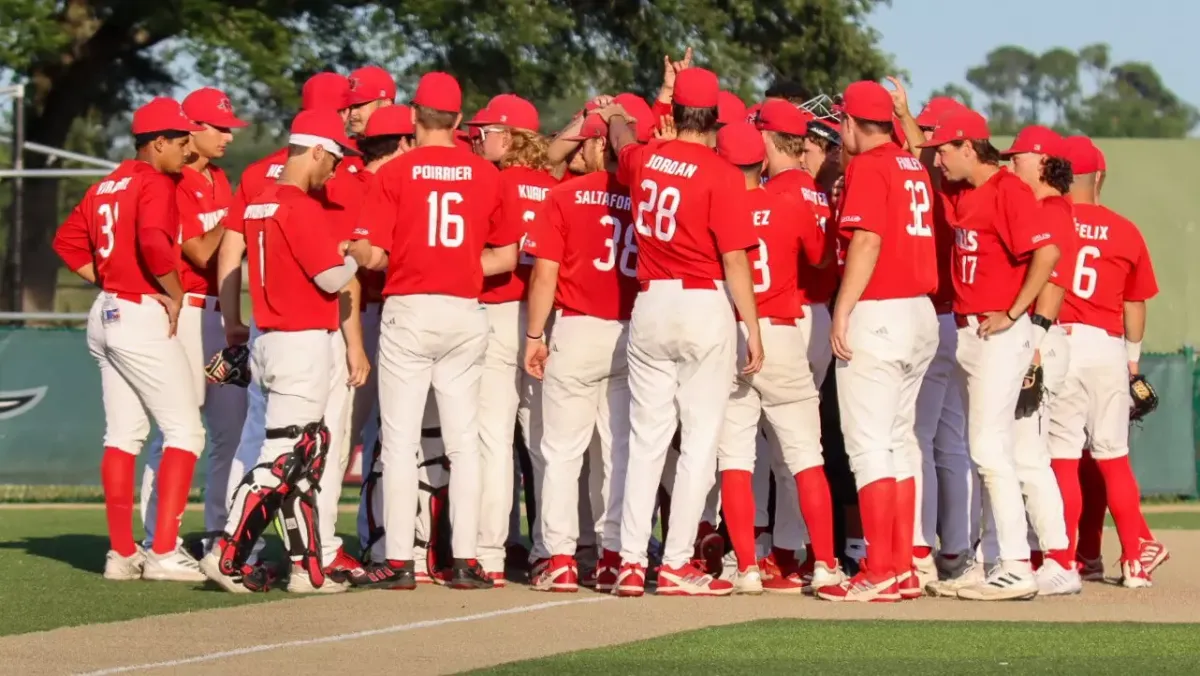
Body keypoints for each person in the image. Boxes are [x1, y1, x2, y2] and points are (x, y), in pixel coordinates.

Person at [349, 72, 520, 590]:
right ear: (460, 121)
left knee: (399, 441)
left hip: (410, 306)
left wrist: (358, 252)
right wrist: (462, 264)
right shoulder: (487, 174)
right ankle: (466, 560)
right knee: (464, 442)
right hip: (465, 309)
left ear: (416, 119)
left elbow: (375, 255)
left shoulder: (395, 173)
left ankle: (400, 560)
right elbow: (507, 256)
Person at [601, 67, 762, 598]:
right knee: (698, 442)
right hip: (702, 301)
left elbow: (624, 140)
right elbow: (735, 258)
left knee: (646, 441)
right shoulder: (720, 172)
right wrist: (752, 327)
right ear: (715, 118)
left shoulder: (645, 159)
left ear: (672, 114)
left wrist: (617, 116)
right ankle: (673, 563)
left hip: (650, 302)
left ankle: (628, 561)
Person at [200, 109, 371, 594]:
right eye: (334, 158)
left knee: (298, 457)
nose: (334, 170)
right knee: (285, 459)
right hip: (301, 342)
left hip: (268, 337)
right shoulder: (298, 205)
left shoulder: (259, 199)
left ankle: (307, 567)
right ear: (316, 149)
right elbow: (330, 278)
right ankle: (229, 554)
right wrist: (354, 256)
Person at [52, 98, 207, 582]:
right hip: (139, 311)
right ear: (157, 142)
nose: (188, 149)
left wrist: (110, 280)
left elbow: (66, 242)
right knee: (186, 432)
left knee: (122, 436)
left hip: (108, 310)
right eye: (182, 141)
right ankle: (162, 553)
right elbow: (155, 244)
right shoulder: (155, 181)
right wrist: (175, 293)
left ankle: (122, 554)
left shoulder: (105, 185)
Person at [919, 108, 1061, 601]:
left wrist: (1014, 311)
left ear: (968, 146)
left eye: (944, 149)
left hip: (1000, 333)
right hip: (968, 332)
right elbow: (923, 152)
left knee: (989, 449)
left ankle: (1018, 564)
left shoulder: (1008, 191)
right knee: (983, 453)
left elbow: (1047, 254)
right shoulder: (964, 189)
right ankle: (987, 560)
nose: (937, 157)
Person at [814, 81, 939, 603]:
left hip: (881, 310)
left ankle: (882, 567)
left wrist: (842, 310)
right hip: (920, 314)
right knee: (897, 442)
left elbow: (866, 239)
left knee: (869, 447)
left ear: (849, 124)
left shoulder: (868, 166)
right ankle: (903, 566)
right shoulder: (911, 163)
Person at [712, 120, 841, 596]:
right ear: (761, 161)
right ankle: (824, 564)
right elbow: (822, 257)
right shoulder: (787, 202)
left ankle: (746, 566)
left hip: (732, 333)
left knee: (737, 458)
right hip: (783, 332)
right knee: (807, 455)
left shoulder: (715, 207)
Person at [520, 111, 641, 593]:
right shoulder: (640, 194)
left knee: (561, 453)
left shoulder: (564, 195)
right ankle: (615, 556)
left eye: (585, 145)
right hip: (631, 331)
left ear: (596, 146)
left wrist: (533, 335)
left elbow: (544, 273)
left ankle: (562, 558)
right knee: (618, 453)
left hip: (576, 328)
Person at [1047, 135, 1167, 588]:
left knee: (1062, 458)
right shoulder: (1124, 229)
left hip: (1058, 341)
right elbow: (1135, 305)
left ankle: (1064, 559)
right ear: (1099, 176)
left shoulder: (1050, 221)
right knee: (1112, 456)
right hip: (1105, 345)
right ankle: (1135, 560)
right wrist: (1132, 363)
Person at [138, 87, 249, 559]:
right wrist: (240, 214)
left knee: (230, 430)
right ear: (191, 130)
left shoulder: (219, 179)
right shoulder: (172, 182)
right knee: (176, 429)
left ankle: (219, 535)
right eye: (217, 127)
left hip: (219, 315)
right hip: (183, 315)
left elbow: (225, 252)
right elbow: (201, 251)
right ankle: (154, 537)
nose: (226, 135)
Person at [466, 94, 561, 584]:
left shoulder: (493, 180)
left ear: (507, 136)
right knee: (546, 443)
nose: (478, 140)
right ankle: (553, 548)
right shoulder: (554, 186)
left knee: (493, 440)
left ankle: (490, 551)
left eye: (484, 132)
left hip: (501, 311)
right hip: (547, 319)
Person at [893, 91, 977, 585]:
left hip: (934, 318)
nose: (926, 142)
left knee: (918, 438)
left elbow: (922, 157)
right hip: (957, 323)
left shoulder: (935, 185)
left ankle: (920, 547)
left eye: (931, 133)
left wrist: (906, 121)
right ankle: (958, 547)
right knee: (953, 441)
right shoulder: (959, 187)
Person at [1001, 125, 1082, 596]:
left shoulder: (1051, 208)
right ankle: (1048, 555)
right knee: (1024, 454)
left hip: (1040, 338)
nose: (1013, 163)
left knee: (1028, 456)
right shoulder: (1052, 208)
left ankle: (1060, 559)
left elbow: (1052, 281)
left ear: (1044, 160)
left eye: (1020, 157)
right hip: (1041, 338)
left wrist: (1034, 338)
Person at [346, 65, 396, 136]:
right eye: (349, 106)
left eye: (359, 105)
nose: (352, 113)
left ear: (386, 105)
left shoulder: (402, 145)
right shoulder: (341, 146)